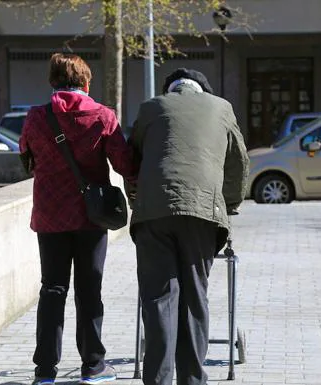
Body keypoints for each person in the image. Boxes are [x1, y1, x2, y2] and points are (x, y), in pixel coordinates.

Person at [19, 53, 137, 385]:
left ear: (53, 82)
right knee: (89, 289)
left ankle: (44, 371)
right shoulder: (102, 116)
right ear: (86, 83)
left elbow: (25, 157)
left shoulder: (36, 117)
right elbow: (125, 165)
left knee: (52, 289)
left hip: (50, 215)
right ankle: (93, 366)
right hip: (91, 216)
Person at [128, 68, 249, 385]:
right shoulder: (221, 108)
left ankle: (157, 380)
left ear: (171, 90)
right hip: (202, 212)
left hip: (154, 211)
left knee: (158, 299)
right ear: (202, 91)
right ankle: (193, 379)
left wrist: (136, 199)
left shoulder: (152, 107)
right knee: (195, 297)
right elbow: (238, 163)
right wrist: (230, 205)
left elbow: (132, 159)